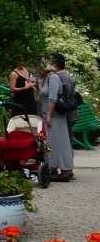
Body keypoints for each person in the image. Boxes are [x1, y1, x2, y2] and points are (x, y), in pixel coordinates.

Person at [41, 53, 78, 181]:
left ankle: (65, 169)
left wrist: (49, 115)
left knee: (62, 142)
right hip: (59, 114)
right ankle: (58, 168)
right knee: (58, 142)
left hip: (59, 114)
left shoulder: (58, 77)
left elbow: (54, 97)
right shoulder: (50, 78)